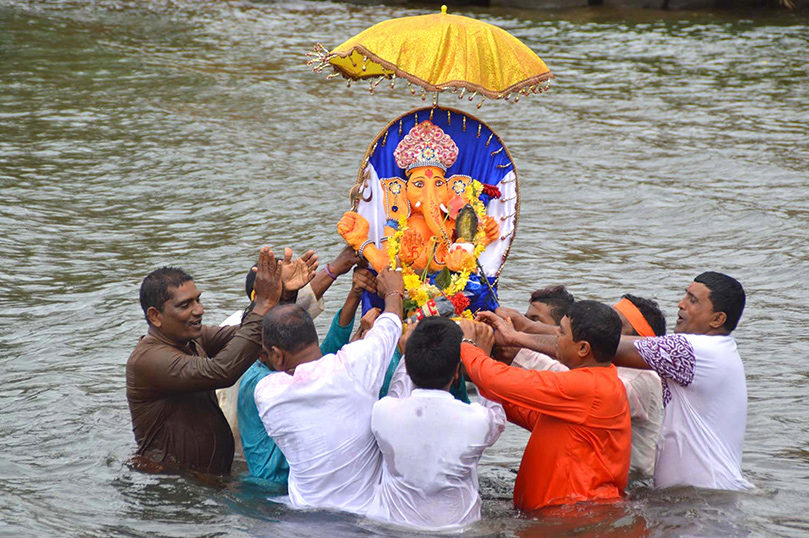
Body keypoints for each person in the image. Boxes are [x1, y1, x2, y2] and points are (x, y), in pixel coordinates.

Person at [253, 267, 404, 514]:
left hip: (301, 515)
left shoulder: (266, 393)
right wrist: (394, 292)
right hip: (363, 516)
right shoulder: (353, 366)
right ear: (313, 336)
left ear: (277, 355)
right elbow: (390, 326)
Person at [125, 247, 284, 474]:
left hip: (205, 478)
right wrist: (262, 305)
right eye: (185, 305)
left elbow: (254, 333)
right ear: (155, 316)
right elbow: (222, 371)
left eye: (198, 300)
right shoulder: (149, 359)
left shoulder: (192, 338)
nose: (199, 310)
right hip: (171, 482)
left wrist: (282, 295)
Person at [464, 301, 631, 511]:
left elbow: (495, 379)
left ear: (582, 348)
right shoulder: (601, 380)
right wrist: (486, 381)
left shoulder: (587, 385)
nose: (555, 337)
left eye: (561, 332)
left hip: (570, 516)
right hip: (568, 512)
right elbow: (539, 420)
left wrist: (467, 344)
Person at [237, 267, 377, 488]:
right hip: (271, 486)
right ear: (271, 354)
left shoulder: (281, 362)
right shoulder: (260, 383)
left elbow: (319, 357)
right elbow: (319, 365)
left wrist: (354, 295)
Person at [611, 272, 751, 490]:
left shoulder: (693, 350)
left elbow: (605, 347)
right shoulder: (719, 350)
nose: (681, 304)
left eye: (692, 300)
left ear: (717, 319)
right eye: (685, 295)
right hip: (708, 493)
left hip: (705, 496)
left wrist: (553, 334)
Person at [365, 317, 506, 530]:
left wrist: (406, 356)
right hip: (457, 529)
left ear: (408, 368)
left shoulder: (383, 412)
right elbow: (497, 410)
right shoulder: (478, 420)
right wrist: (481, 359)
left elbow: (398, 391)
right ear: (457, 371)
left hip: (389, 526)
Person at [514, 293, 665, 477]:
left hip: (633, 486)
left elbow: (574, 385)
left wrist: (518, 351)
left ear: (637, 342)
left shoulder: (644, 378)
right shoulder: (605, 367)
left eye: (617, 326)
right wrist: (524, 332)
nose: (607, 328)